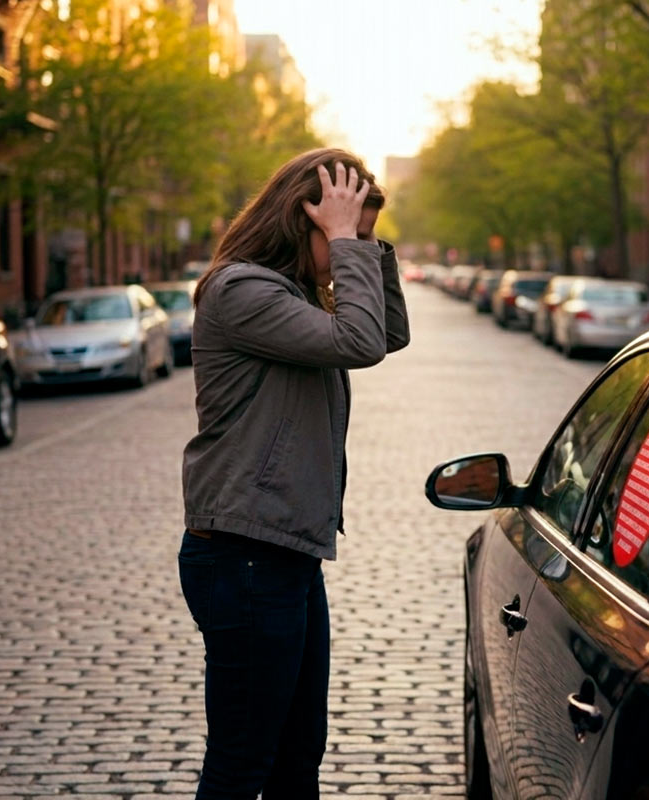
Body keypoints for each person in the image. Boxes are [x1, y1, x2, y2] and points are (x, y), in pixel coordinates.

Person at [177, 148, 410, 798]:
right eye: (342, 235)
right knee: (242, 765)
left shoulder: (291, 296)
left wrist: (361, 240)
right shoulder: (243, 291)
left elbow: (388, 333)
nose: (348, 251)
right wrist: (344, 236)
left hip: (283, 553)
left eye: (360, 236)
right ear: (298, 219)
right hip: (246, 557)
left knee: (295, 756)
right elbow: (359, 343)